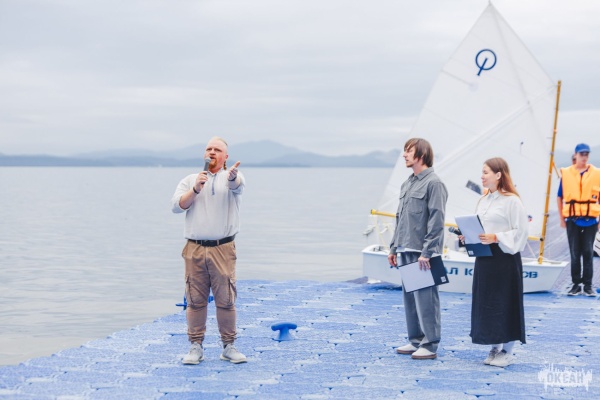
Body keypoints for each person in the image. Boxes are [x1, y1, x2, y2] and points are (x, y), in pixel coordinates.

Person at [171, 136, 247, 364]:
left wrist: (232, 177)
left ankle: (228, 346)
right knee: (195, 299)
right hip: (194, 248)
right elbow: (177, 206)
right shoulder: (190, 179)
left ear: (225, 157)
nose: (212, 152)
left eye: (217, 150)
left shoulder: (232, 176)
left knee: (226, 299)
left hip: (223, 247)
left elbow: (237, 186)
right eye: (209, 149)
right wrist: (195, 189)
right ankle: (196, 346)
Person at [388, 138, 448, 360]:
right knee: (411, 298)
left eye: (409, 151)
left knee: (426, 298)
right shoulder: (407, 183)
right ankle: (415, 340)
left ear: (421, 154)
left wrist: (427, 252)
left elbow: (437, 220)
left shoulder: (434, 183)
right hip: (406, 247)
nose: (404, 154)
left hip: (423, 252)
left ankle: (430, 344)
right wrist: (393, 248)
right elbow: (400, 218)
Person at [468, 158, 528, 368]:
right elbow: (480, 228)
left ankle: (507, 351)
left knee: (506, 302)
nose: (482, 176)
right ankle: (494, 346)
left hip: (505, 258)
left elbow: (521, 232)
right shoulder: (483, 200)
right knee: (488, 303)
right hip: (485, 258)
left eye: (486, 172)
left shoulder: (512, 201)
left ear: (498, 174)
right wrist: (468, 236)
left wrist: (496, 237)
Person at [557, 143, 600, 297]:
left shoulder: (596, 174)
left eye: (586, 154)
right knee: (575, 253)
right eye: (581, 154)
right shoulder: (567, 174)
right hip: (572, 219)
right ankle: (576, 285)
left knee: (588, 252)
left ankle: (588, 286)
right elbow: (560, 197)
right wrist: (562, 218)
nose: (584, 157)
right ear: (575, 155)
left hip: (591, 220)